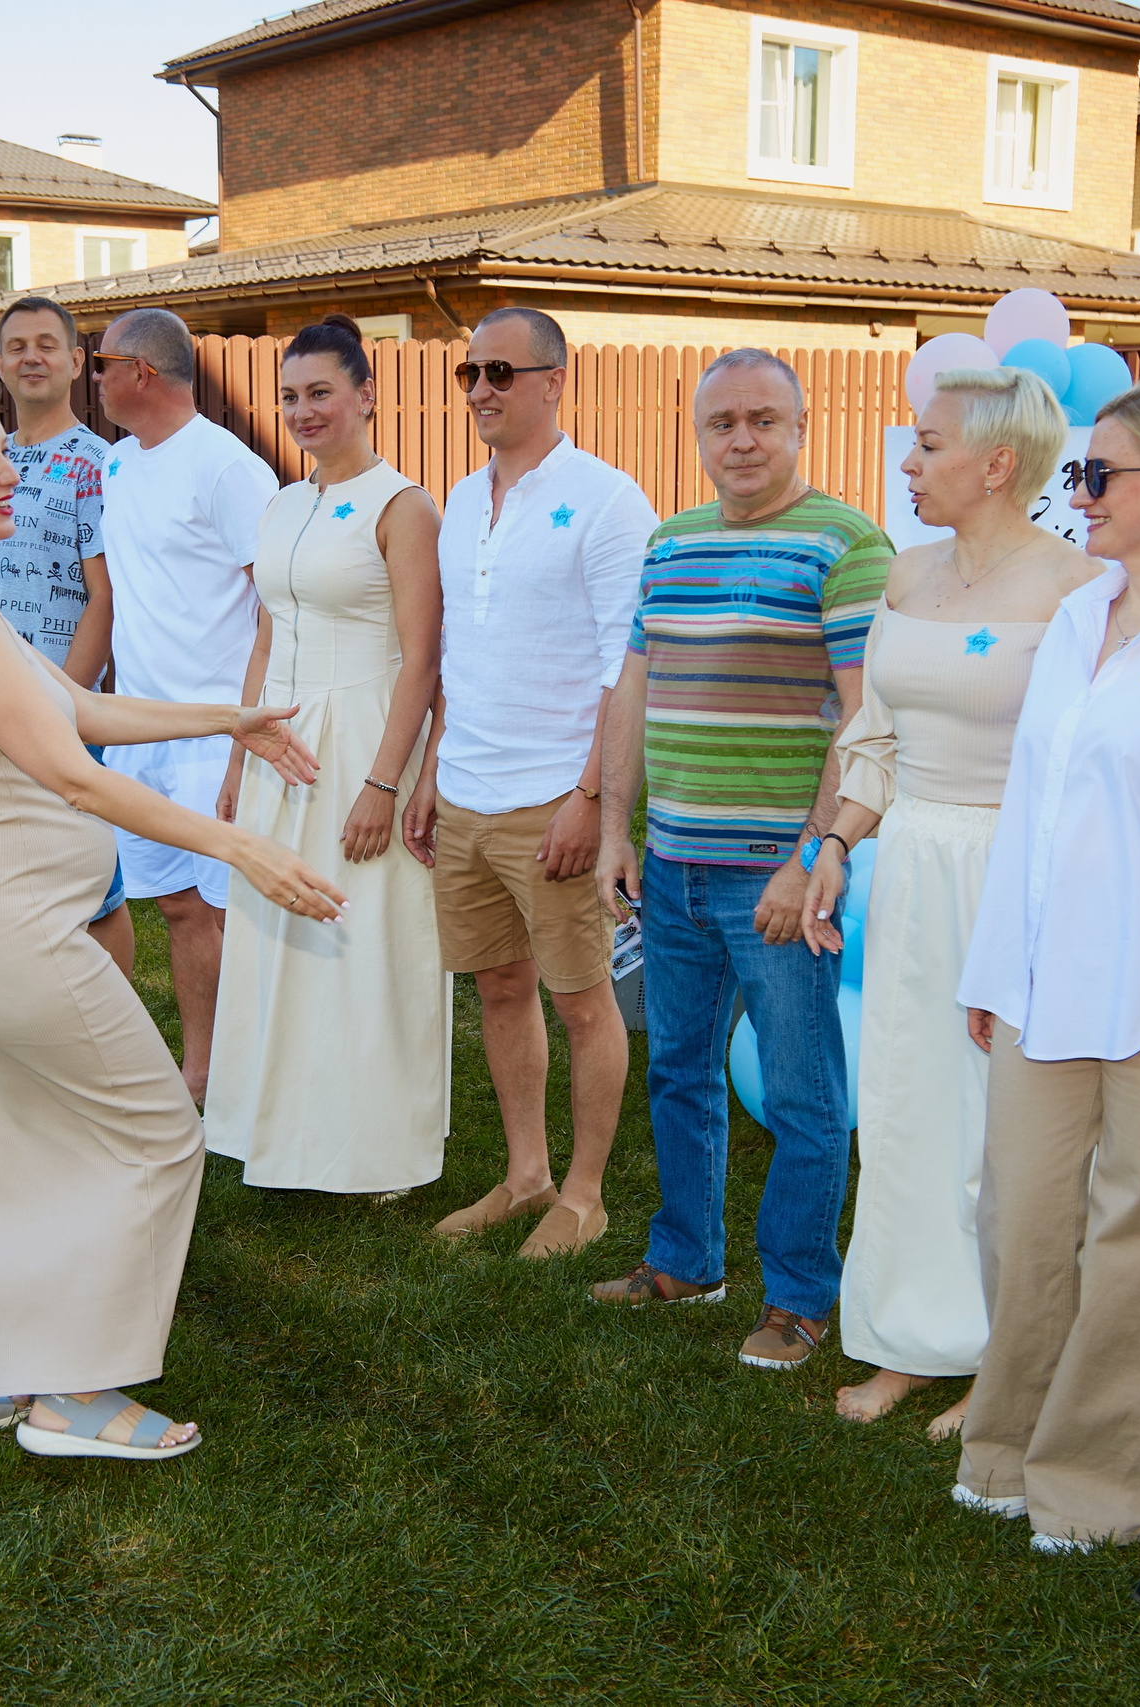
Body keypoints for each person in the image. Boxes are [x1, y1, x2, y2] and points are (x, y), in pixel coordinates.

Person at [0, 376, 345, 1467]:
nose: (10, 473)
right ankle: (69, 1391)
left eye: (3, 451)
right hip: (10, 937)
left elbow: (83, 708)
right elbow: (73, 772)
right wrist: (238, 846)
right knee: (156, 1136)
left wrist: (228, 718)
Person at [953, 377, 1140, 1551]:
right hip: (1041, 984)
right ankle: (1004, 1448)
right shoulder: (1082, 615)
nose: (1075, 493)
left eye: (1096, 474)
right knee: (1021, 1223)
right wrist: (992, 968)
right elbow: (1031, 804)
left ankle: (1096, 1484)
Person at [798, 365, 1092, 1437]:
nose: (909, 464)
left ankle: (1005, 1357)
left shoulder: (1077, 589)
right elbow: (874, 735)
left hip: (1013, 876)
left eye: (929, 446)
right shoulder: (908, 571)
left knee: (998, 1123)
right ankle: (907, 1339)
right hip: (910, 869)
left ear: (998, 464)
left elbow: (1083, 767)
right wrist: (836, 842)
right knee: (906, 1106)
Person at [592, 348, 890, 1371]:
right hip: (671, 865)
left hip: (776, 876)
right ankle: (685, 1260)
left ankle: (799, 1297)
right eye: (722, 423)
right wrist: (615, 828)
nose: (743, 440)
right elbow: (634, 691)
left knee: (804, 1095)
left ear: (800, 427)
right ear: (699, 435)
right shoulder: (669, 543)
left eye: (764, 419)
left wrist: (808, 858)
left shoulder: (846, 545)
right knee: (678, 1070)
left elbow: (862, 720)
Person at [418, 307, 653, 1257]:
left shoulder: (607, 501)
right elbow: (457, 653)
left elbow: (625, 667)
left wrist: (591, 798)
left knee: (583, 999)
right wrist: (432, 773)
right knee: (500, 988)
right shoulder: (460, 500)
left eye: (501, 372)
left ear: (555, 380)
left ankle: (585, 1196)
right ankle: (526, 1176)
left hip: (553, 798)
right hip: (466, 790)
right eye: (470, 372)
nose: (481, 389)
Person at [206, 317, 449, 1192]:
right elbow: (265, 636)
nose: (303, 410)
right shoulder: (282, 504)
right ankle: (277, 1128)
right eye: (290, 396)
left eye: (320, 392)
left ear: (365, 396)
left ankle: (382, 1147)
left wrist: (385, 782)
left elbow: (422, 659)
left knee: (368, 936)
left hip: (366, 739)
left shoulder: (403, 506)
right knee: (279, 929)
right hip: (282, 741)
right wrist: (240, 753)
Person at [92, 308, 281, 1106]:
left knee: (239, 912)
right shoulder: (116, 464)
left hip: (216, 736)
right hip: (141, 732)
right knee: (176, 905)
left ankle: (266, 1085)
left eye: (101, 363)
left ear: (141, 372)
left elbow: (279, 608)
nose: (93, 379)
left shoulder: (227, 467)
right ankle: (200, 1073)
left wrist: (242, 739)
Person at [0, 294, 132, 977]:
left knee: (90, 888)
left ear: (76, 362)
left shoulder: (100, 464)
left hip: (62, 709)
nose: (31, 358)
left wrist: (65, 705)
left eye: (47, 344)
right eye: (17, 346)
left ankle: (114, 1026)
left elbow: (105, 595)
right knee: (0, 881)